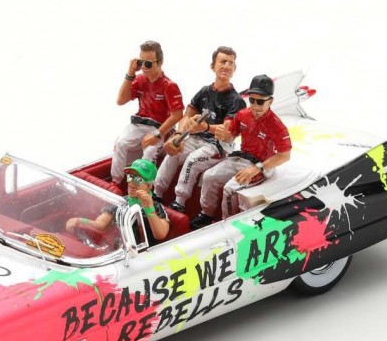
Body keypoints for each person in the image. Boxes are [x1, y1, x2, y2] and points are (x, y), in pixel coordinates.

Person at [153, 46, 246, 213]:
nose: (226, 66)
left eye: (230, 63)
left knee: (193, 160)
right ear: (213, 66)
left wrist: (206, 127)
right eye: (222, 62)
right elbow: (187, 115)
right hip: (196, 139)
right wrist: (179, 135)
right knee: (174, 153)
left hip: (218, 146)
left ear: (235, 68)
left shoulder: (236, 100)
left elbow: (226, 130)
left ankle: (180, 202)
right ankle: (156, 193)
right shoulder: (204, 92)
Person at [191, 75, 292, 227]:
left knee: (230, 189)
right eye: (252, 100)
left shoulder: (277, 126)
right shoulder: (243, 114)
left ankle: (229, 226)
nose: (255, 106)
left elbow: (285, 155)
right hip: (241, 158)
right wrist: (219, 133)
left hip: (262, 164)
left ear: (270, 101)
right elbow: (230, 136)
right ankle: (206, 214)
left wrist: (257, 168)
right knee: (209, 177)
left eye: (260, 101)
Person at [111, 40, 184, 187]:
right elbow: (120, 100)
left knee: (150, 152)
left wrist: (157, 134)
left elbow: (177, 115)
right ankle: (116, 182)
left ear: (160, 62)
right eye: (141, 62)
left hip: (160, 127)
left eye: (148, 64)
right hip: (139, 123)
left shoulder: (169, 86)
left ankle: (143, 187)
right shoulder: (140, 80)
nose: (143, 67)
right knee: (120, 143)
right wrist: (130, 74)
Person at [67, 159, 170, 245]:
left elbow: (160, 234)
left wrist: (149, 209)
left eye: (138, 179)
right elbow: (100, 225)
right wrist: (79, 221)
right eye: (130, 177)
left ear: (149, 185)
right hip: (119, 249)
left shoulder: (156, 207)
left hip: (142, 253)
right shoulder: (121, 202)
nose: (131, 184)